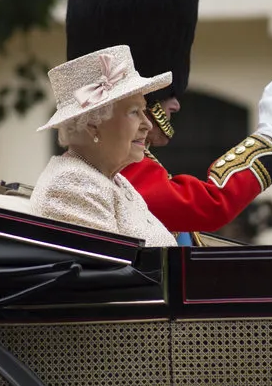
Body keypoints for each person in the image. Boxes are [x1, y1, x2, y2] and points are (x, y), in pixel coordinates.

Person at [66, 0, 272, 245]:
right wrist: (267, 137)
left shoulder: (121, 163)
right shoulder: (116, 167)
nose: (176, 104)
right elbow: (209, 204)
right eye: (137, 106)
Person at [31, 45, 177, 247]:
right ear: (93, 125)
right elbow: (116, 274)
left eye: (144, 111)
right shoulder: (74, 184)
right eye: (135, 112)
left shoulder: (112, 179)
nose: (148, 125)